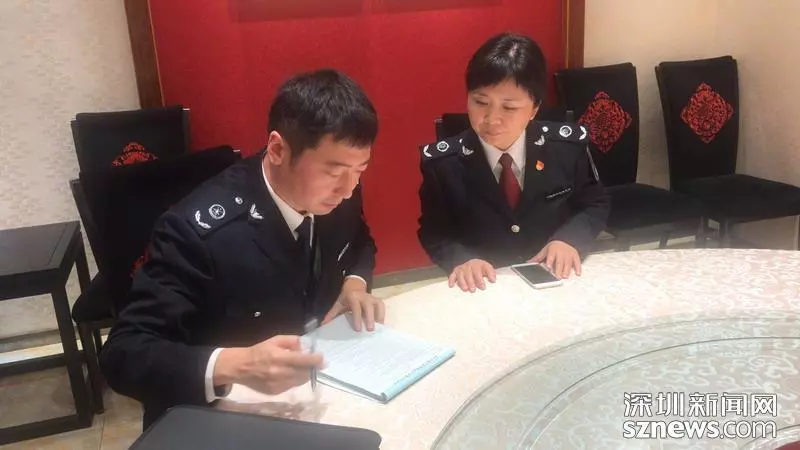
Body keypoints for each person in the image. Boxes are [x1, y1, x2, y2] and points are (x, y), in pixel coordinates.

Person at [100, 69, 384, 427]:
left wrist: (355, 283)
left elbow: (358, 241)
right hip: (221, 415)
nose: (347, 189)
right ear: (278, 149)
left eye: (360, 170)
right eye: (334, 171)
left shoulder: (338, 192)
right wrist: (234, 364)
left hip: (315, 392)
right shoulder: (197, 232)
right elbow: (123, 353)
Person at [417, 32, 609, 293]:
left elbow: (594, 203)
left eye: (508, 108)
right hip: (485, 286)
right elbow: (434, 231)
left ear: (534, 109)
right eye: (480, 102)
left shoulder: (566, 148)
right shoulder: (443, 164)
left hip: (554, 277)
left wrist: (569, 240)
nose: (491, 119)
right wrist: (461, 258)